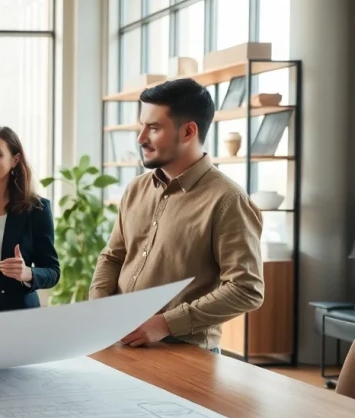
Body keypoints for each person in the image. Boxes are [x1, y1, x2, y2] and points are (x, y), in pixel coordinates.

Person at [89, 78, 264, 353]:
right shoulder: (136, 188)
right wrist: (99, 306)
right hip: (119, 345)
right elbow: (113, 256)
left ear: (188, 132)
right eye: (141, 126)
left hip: (184, 353)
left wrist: (166, 324)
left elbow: (246, 289)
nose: (140, 138)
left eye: (154, 128)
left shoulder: (228, 200)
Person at [0, 126, 60, 312]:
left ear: (15, 160)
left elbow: (52, 271)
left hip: (17, 314)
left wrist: (28, 273)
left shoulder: (37, 209)